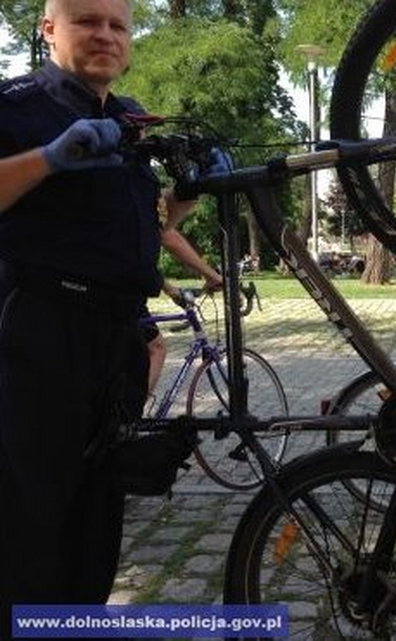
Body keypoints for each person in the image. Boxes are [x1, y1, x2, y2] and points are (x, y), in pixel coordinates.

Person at [0, 0, 192, 632]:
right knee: (29, 529)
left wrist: (186, 201)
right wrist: (49, 158)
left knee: (95, 526)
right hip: (39, 337)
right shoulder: (17, 104)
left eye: (118, 25)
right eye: (88, 21)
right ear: (49, 29)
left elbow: (137, 230)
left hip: (117, 342)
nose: (106, 36)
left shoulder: (131, 116)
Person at [144, 191, 224, 397]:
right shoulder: (142, 192)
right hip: (119, 291)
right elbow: (168, 236)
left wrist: (170, 290)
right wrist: (212, 276)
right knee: (156, 348)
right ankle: (131, 419)